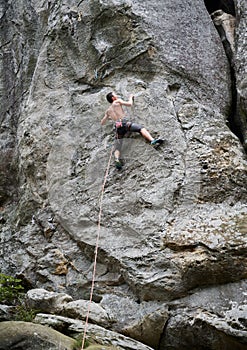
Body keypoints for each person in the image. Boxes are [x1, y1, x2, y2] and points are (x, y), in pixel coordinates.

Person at [101, 92, 163, 169]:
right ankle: (152, 140)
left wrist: (111, 117)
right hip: (124, 123)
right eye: (115, 94)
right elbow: (129, 104)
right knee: (140, 128)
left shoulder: (108, 111)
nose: (117, 95)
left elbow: (102, 122)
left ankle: (117, 159)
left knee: (118, 146)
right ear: (113, 98)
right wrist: (131, 97)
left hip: (118, 127)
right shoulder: (117, 101)